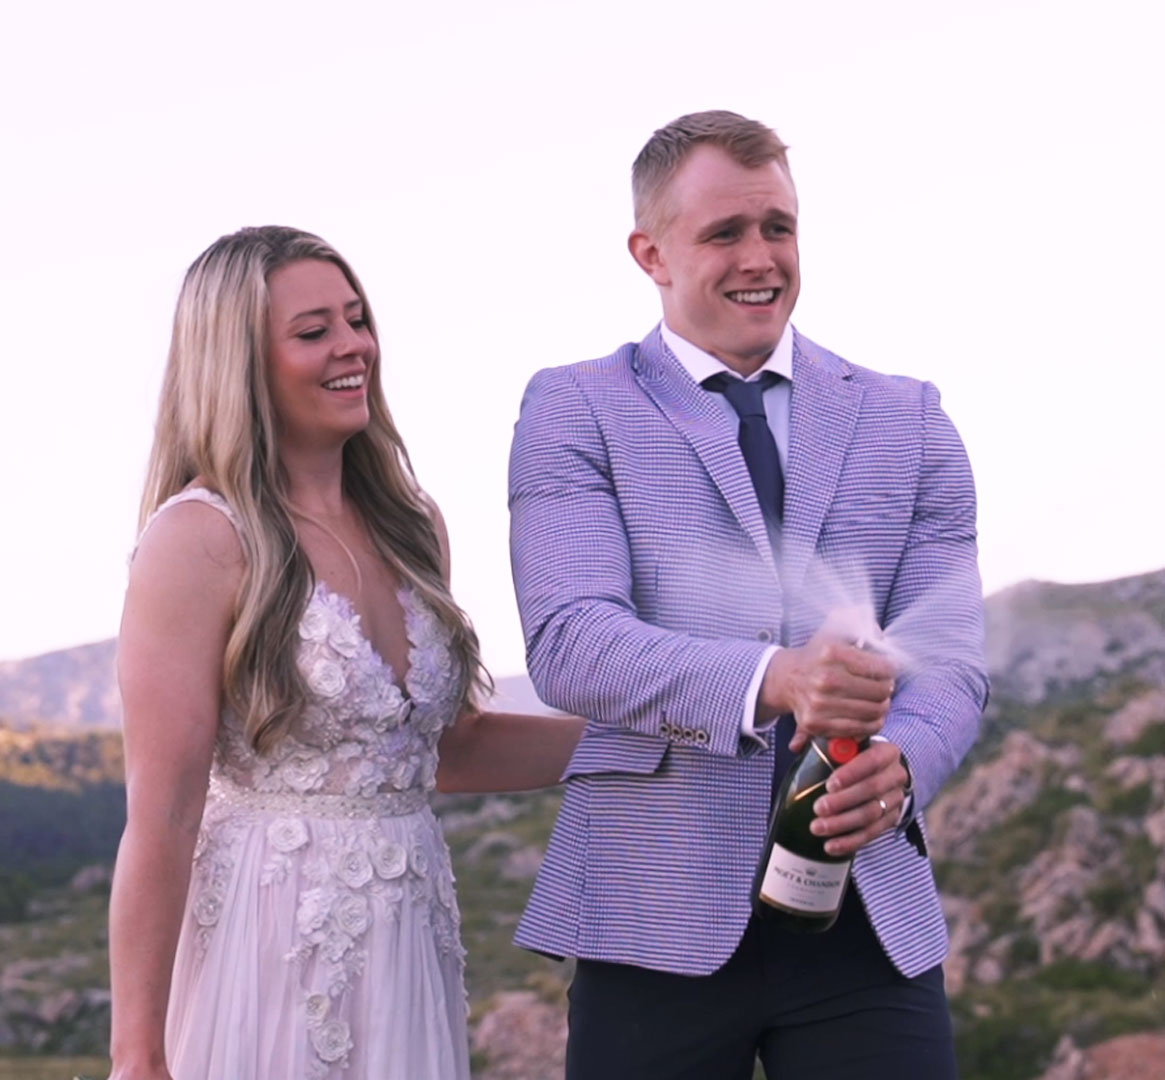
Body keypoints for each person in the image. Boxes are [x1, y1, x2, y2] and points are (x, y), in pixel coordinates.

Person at [508, 111, 989, 1079]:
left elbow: (952, 661)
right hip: (650, 917)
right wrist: (776, 678)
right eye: (724, 232)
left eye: (778, 226)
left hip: (864, 919)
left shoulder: (911, 419)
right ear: (649, 253)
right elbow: (568, 640)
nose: (759, 257)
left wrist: (902, 763)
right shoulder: (572, 408)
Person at [108, 225, 583, 1080]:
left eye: (356, 319)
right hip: (265, 944)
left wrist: (650, 744)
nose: (353, 346)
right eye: (313, 330)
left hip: (408, 945)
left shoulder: (412, 523)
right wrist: (137, 1054)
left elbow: (447, 748)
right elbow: (164, 814)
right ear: (239, 364)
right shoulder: (198, 540)